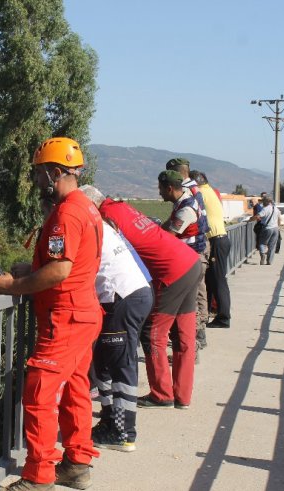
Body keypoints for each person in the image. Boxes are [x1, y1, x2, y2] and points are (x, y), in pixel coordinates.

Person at [0, 137, 103, 491]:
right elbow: (63, 262)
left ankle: (39, 477)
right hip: (84, 312)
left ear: (54, 173)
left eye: (39, 174)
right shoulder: (86, 207)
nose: (37, 182)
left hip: (64, 316)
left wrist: (10, 286)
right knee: (75, 390)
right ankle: (76, 464)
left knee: (39, 393)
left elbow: (59, 271)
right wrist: (31, 267)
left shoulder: (66, 213)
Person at [98, 196, 201, 410]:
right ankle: (183, 395)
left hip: (172, 270)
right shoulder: (120, 206)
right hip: (190, 261)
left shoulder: (104, 216)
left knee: (153, 334)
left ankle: (161, 394)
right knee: (184, 336)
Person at [79, 185, 153, 453]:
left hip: (122, 298)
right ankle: (110, 423)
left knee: (120, 365)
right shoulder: (103, 225)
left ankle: (123, 432)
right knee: (106, 363)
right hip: (132, 294)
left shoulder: (91, 226)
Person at [158, 170, 208, 360]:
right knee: (187, 307)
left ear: (170, 188)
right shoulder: (184, 201)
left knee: (187, 308)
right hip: (190, 260)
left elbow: (169, 235)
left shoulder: (186, 209)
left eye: (161, 189)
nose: (159, 193)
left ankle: (190, 351)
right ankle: (187, 350)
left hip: (190, 262)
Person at [190, 170, 232, 329]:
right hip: (220, 239)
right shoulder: (210, 191)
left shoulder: (200, 193)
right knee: (213, 279)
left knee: (218, 280)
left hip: (216, 240)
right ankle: (216, 313)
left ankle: (223, 317)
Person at [249, 196, 280, 265]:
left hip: (267, 228)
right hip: (275, 229)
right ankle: (269, 261)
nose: (262, 203)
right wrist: (278, 227)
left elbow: (258, 216)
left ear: (266, 202)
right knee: (272, 245)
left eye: (263, 201)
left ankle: (263, 255)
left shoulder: (265, 209)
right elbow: (279, 218)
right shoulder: (276, 209)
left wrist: (251, 219)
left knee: (262, 243)